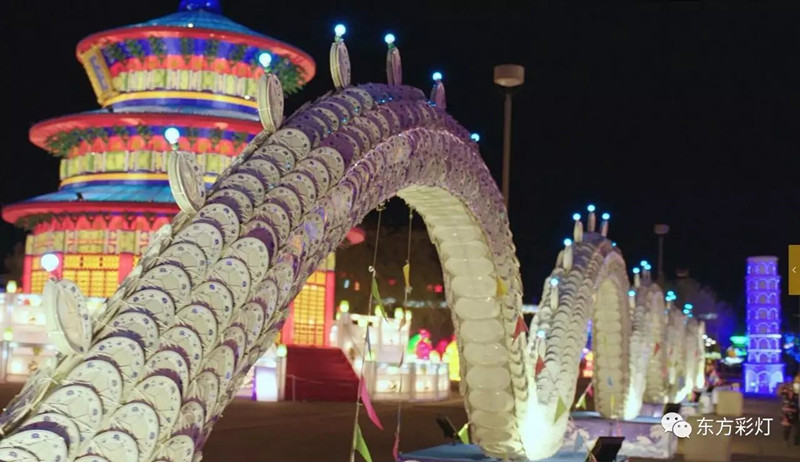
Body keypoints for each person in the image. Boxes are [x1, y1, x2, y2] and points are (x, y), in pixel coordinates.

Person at [778, 379, 800, 446]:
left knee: (797, 430)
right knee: (787, 429)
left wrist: (794, 410)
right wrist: (782, 386)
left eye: (792, 390)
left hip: (795, 415)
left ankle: (796, 441)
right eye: (789, 389)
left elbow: (797, 406)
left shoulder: (796, 396)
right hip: (786, 415)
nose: (790, 391)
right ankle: (785, 441)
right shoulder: (784, 395)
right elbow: (779, 392)